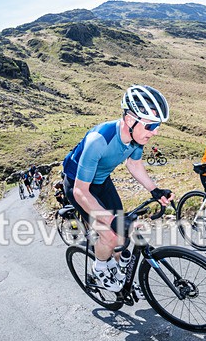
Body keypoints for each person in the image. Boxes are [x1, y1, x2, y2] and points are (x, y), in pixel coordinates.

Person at [62, 84, 174, 291]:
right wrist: (110, 219)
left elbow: (134, 164)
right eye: (151, 126)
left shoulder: (136, 138)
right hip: (78, 186)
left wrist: (154, 190)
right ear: (130, 120)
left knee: (122, 236)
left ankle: (117, 270)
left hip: (102, 182)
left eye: (157, 125)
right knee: (111, 234)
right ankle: (100, 269)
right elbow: (80, 191)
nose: (155, 132)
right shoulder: (99, 140)